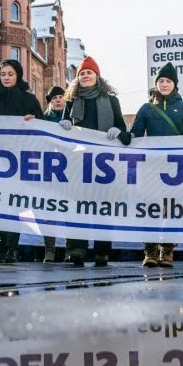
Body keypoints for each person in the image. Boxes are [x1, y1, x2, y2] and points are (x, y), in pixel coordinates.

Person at [59, 56, 128, 267]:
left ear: (97, 76)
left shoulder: (111, 100)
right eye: (82, 73)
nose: (85, 76)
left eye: (89, 72)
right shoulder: (71, 101)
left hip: (103, 163)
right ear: (77, 78)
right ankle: (77, 249)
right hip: (77, 162)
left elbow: (123, 129)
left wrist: (118, 130)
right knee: (78, 205)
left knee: (102, 206)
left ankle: (101, 251)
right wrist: (64, 124)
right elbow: (63, 127)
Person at [130, 63, 183, 268]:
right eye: (161, 81)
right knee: (150, 209)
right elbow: (136, 134)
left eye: (168, 81)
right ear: (156, 84)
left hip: (175, 169)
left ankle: (167, 252)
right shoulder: (147, 108)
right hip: (151, 167)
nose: (164, 84)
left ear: (175, 84)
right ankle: (149, 251)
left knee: (172, 211)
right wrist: (126, 136)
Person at [0, 59, 43, 263]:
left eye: (10, 74)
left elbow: (43, 128)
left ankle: (9, 249)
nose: (6, 78)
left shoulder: (29, 100)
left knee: (12, 205)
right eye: (3, 74)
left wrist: (33, 122)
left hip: (18, 160)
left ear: (18, 75)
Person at [41, 85, 67, 262]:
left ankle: (69, 250)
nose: (58, 100)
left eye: (60, 97)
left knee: (68, 211)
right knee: (48, 212)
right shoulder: (42, 120)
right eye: (54, 98)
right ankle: (49, 251)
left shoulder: (73, 119)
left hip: (70, 172)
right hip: (48, 171)